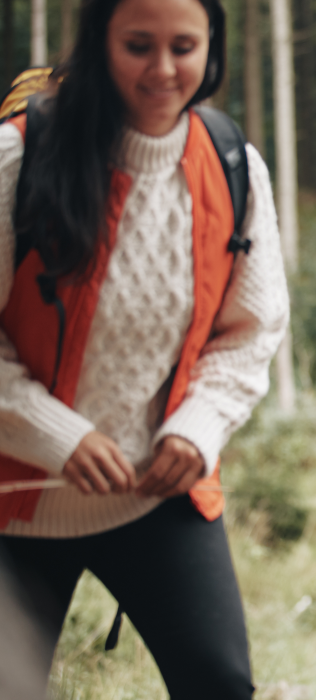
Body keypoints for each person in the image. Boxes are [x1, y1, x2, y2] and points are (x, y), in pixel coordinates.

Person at [0, 0, 288, 697]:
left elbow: (252, 330)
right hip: (16, 499)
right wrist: (58, 436)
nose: (164, 69)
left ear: (210, 45)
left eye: (183, 46)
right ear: (97, 41)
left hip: (158, 493)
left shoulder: (230, 164)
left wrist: (198, 428)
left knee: (219, 683)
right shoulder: (19, 154)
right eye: (137, 45)